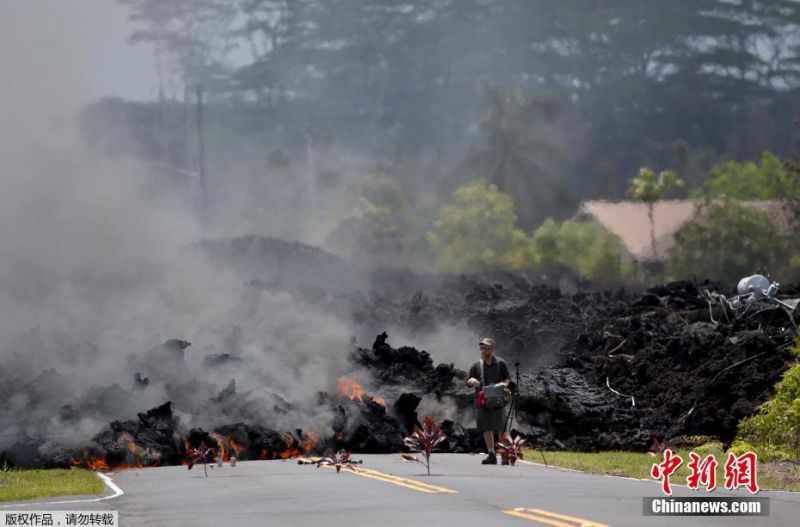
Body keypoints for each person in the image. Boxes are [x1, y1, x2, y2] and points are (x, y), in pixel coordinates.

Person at [466, 337, 510, 465]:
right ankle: (491, 454)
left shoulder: (501, 363)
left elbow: (507, 378)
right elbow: (468, 381)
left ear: (492, 348)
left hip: (497, 400)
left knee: (501, 427)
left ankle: (504, 454)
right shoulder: (476, 365)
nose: (483, 349)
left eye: (485, 347)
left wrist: (504, 384)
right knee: (486, 427)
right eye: (481, 347)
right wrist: (471, 381)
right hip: (483, 400)